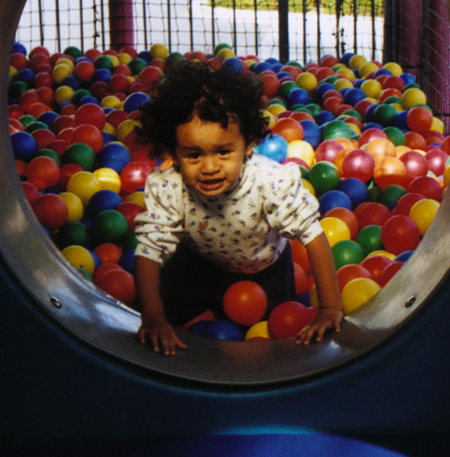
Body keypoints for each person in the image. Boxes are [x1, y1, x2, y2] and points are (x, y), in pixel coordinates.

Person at [133, 60, 343, 356]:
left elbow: (313, 234)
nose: (209, 167)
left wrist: (330, 307)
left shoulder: (269, 181)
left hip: (265, 270)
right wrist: (153, 316)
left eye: (223, 152)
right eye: (194, 155)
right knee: (163, 309)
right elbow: (148, 250)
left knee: (278, 334)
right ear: (173, 152)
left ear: (249, 144)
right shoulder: (168, 185)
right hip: (197, 264)